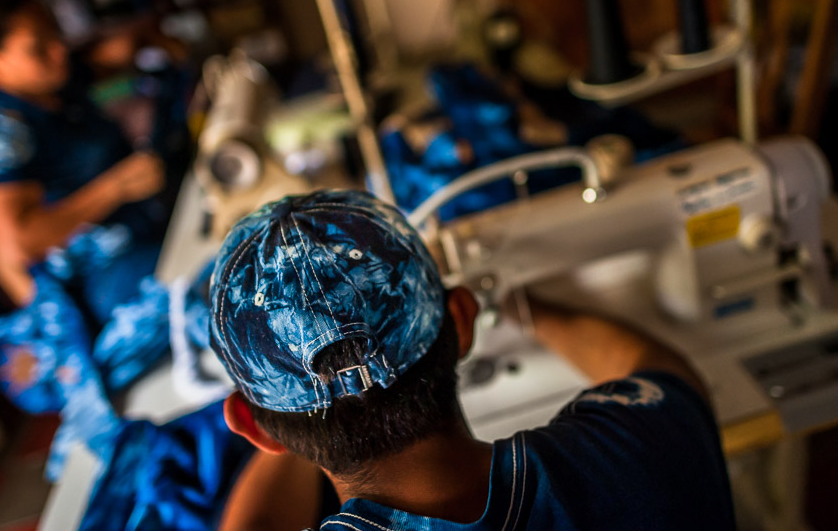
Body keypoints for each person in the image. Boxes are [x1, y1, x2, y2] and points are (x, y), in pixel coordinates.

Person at [208, 188, 735, 530]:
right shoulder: (636, 453)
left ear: (253, 429)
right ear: (462, 320)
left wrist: (310, 400)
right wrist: (527, 310)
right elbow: (661, 369)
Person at [0, 0, 192, 479]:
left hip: (139, 230)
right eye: (39, 46)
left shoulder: (60, 80)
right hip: (98, 276)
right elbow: (19, 240)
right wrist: (116, 187)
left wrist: (149, 38)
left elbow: (114, 54)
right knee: (196, 288)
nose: (59, 49)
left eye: (55, 32)